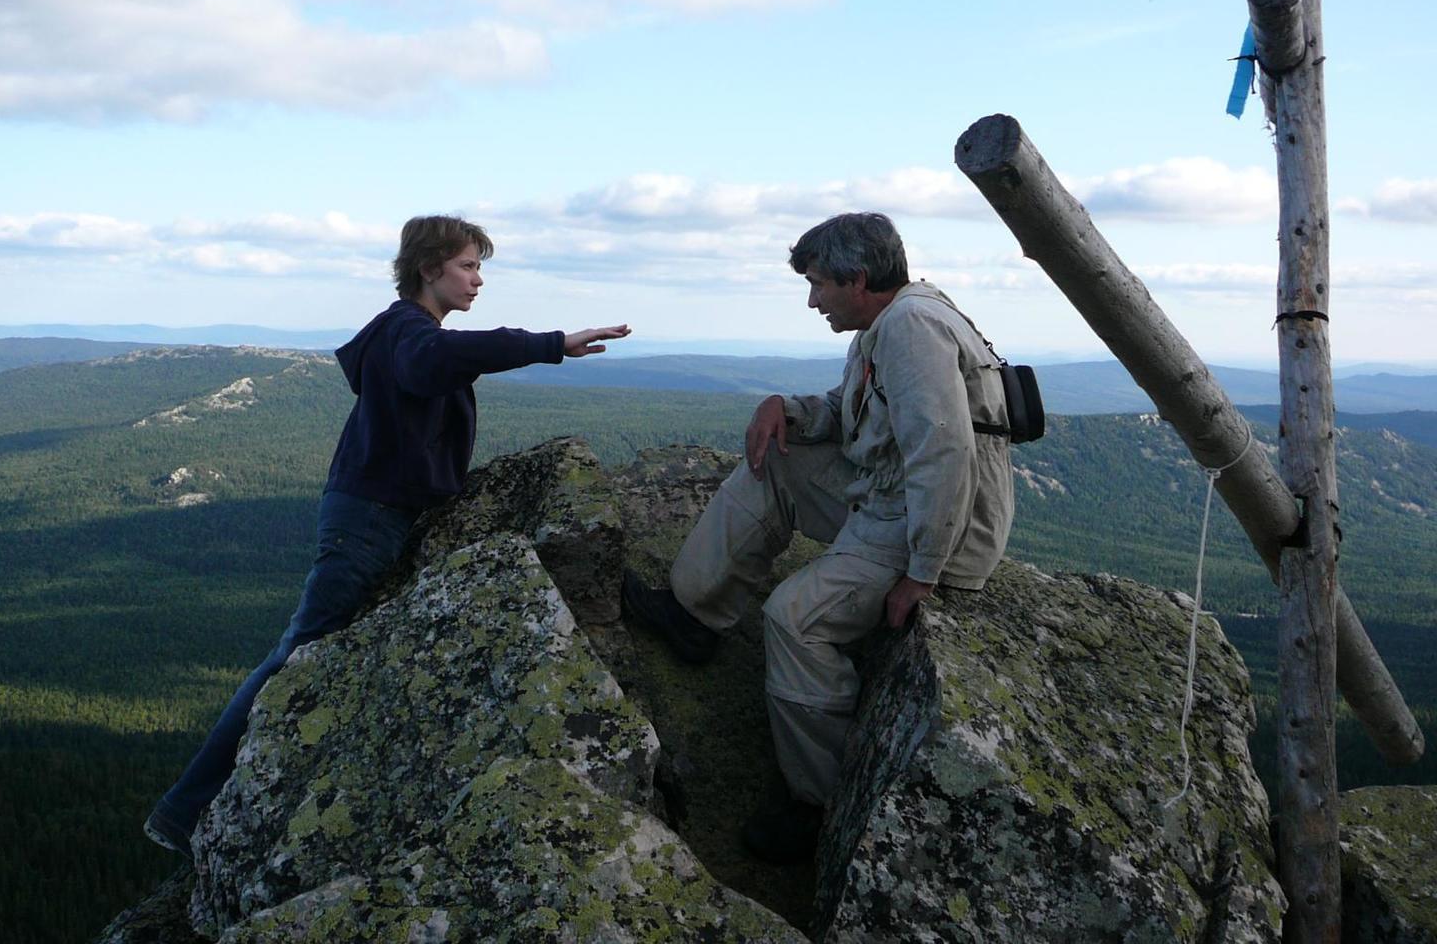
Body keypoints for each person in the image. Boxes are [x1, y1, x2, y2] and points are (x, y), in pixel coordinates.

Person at [145, 214, 630, 858]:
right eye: (468, 266)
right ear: (429, 269)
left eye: (479, 267)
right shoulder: (411, 334)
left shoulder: (400, 331)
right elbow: (439, 361)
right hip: (370, 518)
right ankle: (184, 810)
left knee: (305, 652)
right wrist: (549, 343)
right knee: (296, 653)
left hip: (370, 512)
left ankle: (197, 804)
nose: (478, 280)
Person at [622, 212, 1013, 863]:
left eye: (818, 285)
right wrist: (789, 409)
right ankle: (694, 613)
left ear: (857, 279)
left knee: (795, 619)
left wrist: (922, 573)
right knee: (773, 457)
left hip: (931, 522)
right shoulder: (890, 322)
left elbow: (943, 454)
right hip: (890, 494)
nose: (812, 301)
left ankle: (821, 803)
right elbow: (856, 413)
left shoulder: (911, 329)